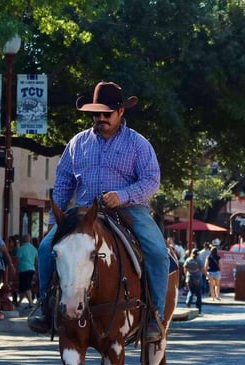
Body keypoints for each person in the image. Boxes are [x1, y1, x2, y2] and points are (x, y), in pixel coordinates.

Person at [29, 81, 169, 342]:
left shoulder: (138, 143)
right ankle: (46, 306)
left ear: (121, 112)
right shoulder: (77, 143)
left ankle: (154, 315)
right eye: (96, 114)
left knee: (158, 253)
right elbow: (63, 182)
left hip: (129, 210)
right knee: (46, 248)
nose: (101, 118)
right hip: (83, 211)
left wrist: (122, 195)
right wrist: (54, 221)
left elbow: (151, 180)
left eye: (107, 113)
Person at [16, 234, 38, 308]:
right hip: (31, 269)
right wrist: (36, 270)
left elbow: (17, 260)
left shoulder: (21, 249)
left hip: (23, 269)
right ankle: (19, 302)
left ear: (23, 240)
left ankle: (31, 303)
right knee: (24, 287)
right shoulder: (34, 249)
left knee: (26, 286)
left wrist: (16, 269)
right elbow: (36, 260)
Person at [183, 249, 204, 315]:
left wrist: (186, 274)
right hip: (197, 277)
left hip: (189, 276)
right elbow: (202, 268)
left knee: (191, 291)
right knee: (198, 293)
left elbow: (185, 267)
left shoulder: (188, 259)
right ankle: (199, 310)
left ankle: (188, 302)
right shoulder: (199, 260)